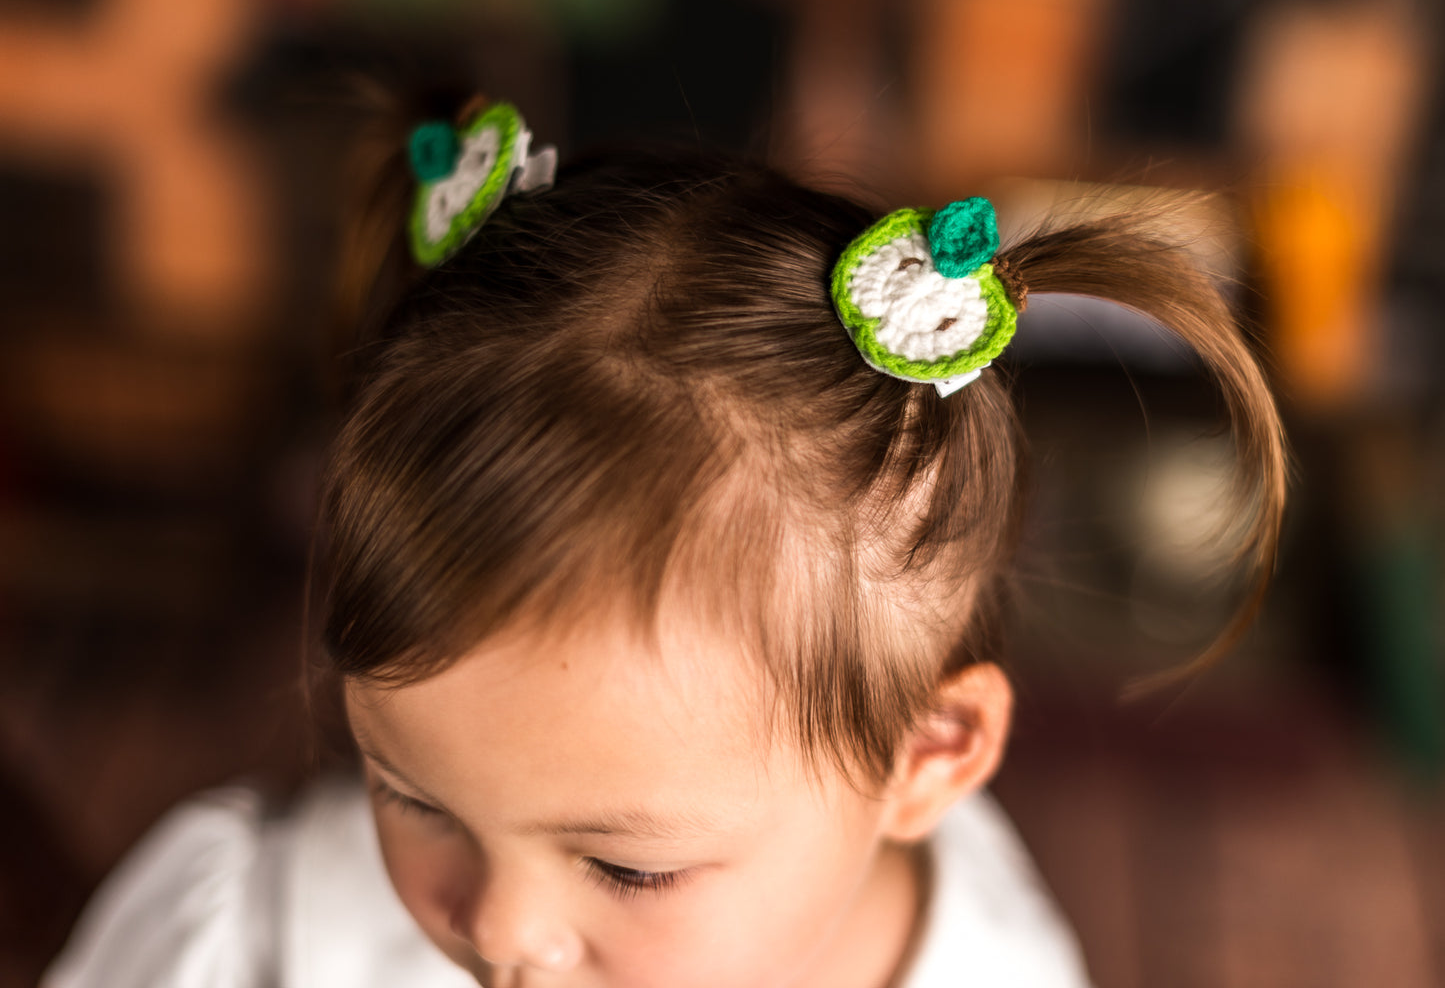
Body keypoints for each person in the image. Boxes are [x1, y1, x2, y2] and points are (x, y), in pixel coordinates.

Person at [43, 99, 1286, 988]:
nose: (503, 935)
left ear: (926, 751)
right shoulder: (249, 944)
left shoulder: (1000, 967)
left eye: (628, 870)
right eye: (409, 793)